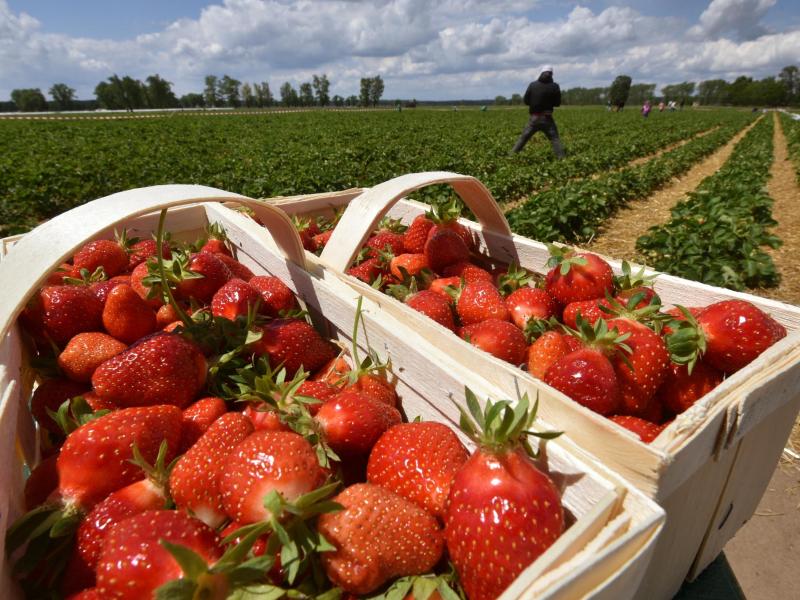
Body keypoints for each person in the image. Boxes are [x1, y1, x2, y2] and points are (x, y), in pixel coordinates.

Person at [511, 65, 565, 159]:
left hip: (534, 118)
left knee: (523, 138)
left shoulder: (533, 85)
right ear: (551, 75)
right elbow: (557, 103)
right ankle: (562, 159)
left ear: (541, 73)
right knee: (554, 139)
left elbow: (526, 101)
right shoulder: (555, 86)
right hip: (547, 118)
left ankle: (511, 156)